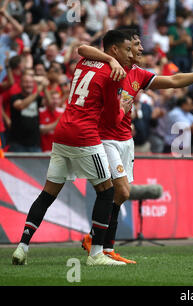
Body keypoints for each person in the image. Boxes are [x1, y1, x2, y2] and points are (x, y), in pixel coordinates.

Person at [76, 29, 193, 263]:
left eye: (138, 45)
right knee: (122, 191)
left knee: (120, 196)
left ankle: (101, 244)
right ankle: (101, 246)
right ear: (121, 49)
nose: (140, 49)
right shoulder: (110, 69)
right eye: (135, 45)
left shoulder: (138, 74)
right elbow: (82, 48)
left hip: (126, 140)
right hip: (105, 139)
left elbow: (174, 80)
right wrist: (108, 60)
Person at [12, 30, 134, 266]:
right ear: (115, 50)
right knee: (107, 191)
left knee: (48, 194)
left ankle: (22, 246)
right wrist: (123, 108)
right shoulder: (114, 73)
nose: (130, 54)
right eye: (127, 49)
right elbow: (111, 119)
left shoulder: (87, 60)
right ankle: (97, 253)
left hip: (62, 132)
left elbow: (81, 48)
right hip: (84, 136)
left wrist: (107, 59)